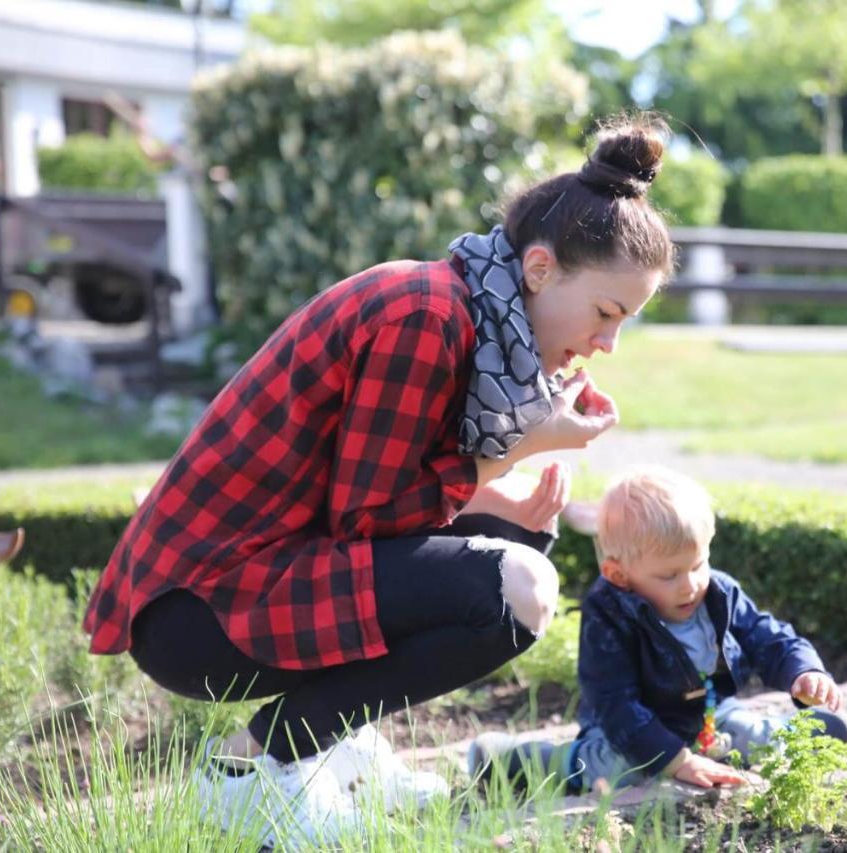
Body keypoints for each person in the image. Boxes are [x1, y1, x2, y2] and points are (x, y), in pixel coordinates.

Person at [82, 114, 675, 846]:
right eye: (606, 313)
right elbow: (369, 517)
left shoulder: (461, 306)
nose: (607, 344)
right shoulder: (426, 319)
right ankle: (254, 768)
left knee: (509, 535)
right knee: (516, 592)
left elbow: (370, 478)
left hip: (249, 576)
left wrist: (502, 494)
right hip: (201, 608)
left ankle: (336, 744)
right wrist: (510, 453)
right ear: (541, 268)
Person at [468, 466, 847, 794]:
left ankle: (796, 736)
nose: (689, 585)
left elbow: (767, 637)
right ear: (619, 574)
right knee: (616, 769)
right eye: (668, 575)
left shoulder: (718, 592)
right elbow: (615, 704)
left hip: (710, 714)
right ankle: (526, 760)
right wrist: (676, 761)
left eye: (698, 564)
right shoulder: (609, 613)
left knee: (744, 734)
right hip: (632, 728)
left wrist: (804, 671)